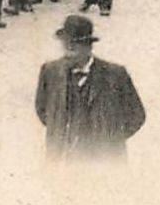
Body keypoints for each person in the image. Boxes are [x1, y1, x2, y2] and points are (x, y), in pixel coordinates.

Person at [33, 15, 146, 160]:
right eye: (65, 43)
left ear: (88, 46)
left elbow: (136, 116)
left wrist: (110, 140)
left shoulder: (115, 75)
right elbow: (42, 110)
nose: (68, 50)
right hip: (62, 160)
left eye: (75, 45)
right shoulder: (50, 71)